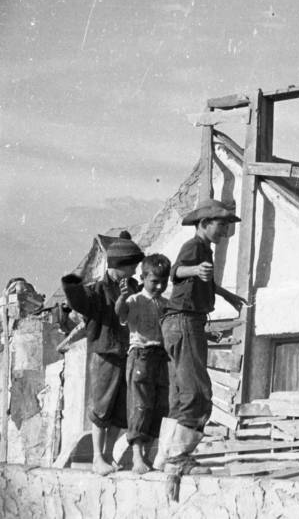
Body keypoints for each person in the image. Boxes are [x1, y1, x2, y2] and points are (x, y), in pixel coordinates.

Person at [154, 199, 246, 475]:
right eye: (221, 225)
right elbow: (176, 272)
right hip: (185, 322)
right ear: (204, 224)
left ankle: (165, 457)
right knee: (197, 392)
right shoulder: (194, 246)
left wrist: (226, 294)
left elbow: (202, 280)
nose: (225, 232)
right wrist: (194, 270)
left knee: (181, 393)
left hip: (180, 323)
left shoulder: (205, 249)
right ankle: (179, 457)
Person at [61, 233, 145, 475]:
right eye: (131, 266)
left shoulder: (132, 287)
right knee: (101, 407)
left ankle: (108, 455)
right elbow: (77, 299)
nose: (134, 271)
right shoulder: (97, 290)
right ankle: (98, 458)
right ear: (119, 265)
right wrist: (71, 283)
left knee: (120, 410)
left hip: (127, 354)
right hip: (105, 353)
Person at [115, 254, 171, 475]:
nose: (159, 286)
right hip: (141, 355)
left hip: (160, 357)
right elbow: (120, 314)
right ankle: (137, 457)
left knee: (158, 406)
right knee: (140, 405)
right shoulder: (134, 300)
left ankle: (146, 456)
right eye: (154, 281)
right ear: (143, 278)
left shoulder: (165, 304)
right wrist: (122, 297)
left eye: (163, 282)